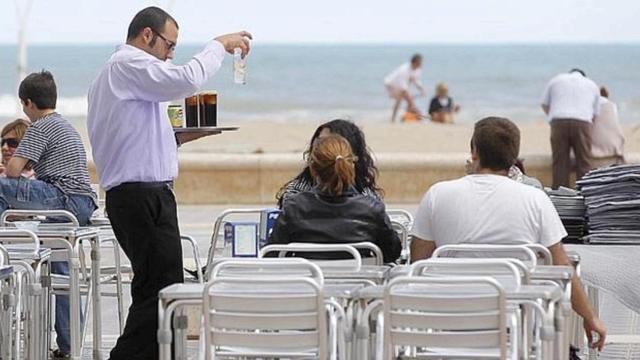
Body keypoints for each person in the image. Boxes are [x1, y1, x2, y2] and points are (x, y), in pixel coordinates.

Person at [87, 7, 252, 359]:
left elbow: (133, 137)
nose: (170, 54)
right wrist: (218, 45)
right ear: (148, 35)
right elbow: (187, 79)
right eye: (169, 45)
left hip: (142, 195)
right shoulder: (128, 65)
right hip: (140, 196)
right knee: (161, 291)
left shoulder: (121, 75)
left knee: (159, 287)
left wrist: (179, 137)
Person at [410, 117, 607, 351]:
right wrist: (590, 316)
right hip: (515, 327)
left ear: (474, 152)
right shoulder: (535, 199)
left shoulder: (437, 195)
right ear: (513, 159)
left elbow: (417, 264)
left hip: (447, 321)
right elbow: (562, 266)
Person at [0, 70, 97, 359]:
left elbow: (13, 172)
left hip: (62, 198)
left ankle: (2, 252)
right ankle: (69, 347)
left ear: (27, 103)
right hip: (82, 204)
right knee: (62, 270)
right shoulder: (65, 126)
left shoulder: (41, 127)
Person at [271, 134, 401, 263]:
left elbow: (272, 254)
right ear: (352, 167)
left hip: (310, 281)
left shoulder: (294, 207)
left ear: (313, 169)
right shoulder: (372, 208)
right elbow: (391, 253)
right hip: (360, 281)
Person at [276, 119, 382, 208]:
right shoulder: (295, 194)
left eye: (329, 145)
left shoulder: (368, 200)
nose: (321, 149)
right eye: (319, 142)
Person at [541, 69, 600, 188]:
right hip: (582, 121)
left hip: (558, 121)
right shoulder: (592, 85)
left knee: (559, 163)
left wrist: (554, 119)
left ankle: (559, 196)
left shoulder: (556, 79)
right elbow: (595, 115)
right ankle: (584, 194)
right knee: (584, 162)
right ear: (584, 75)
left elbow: (544, 104)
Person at [384, 54, 426, 123]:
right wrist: (411, 102)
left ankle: (402, 118)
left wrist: (421, 88)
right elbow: (403, 87)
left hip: (400, 85)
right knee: (407, 100)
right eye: (420, 62)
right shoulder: (404, 70)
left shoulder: (416, 69)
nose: (421, 64)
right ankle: (413, 115)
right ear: (415, 62)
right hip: (391, 85)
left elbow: (415, 80)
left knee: (403, 100)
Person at [591, 86, 625, 167]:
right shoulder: (612, 105)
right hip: (613, 148)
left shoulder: (593, 105)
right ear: (607, 95)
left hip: (594, 150)